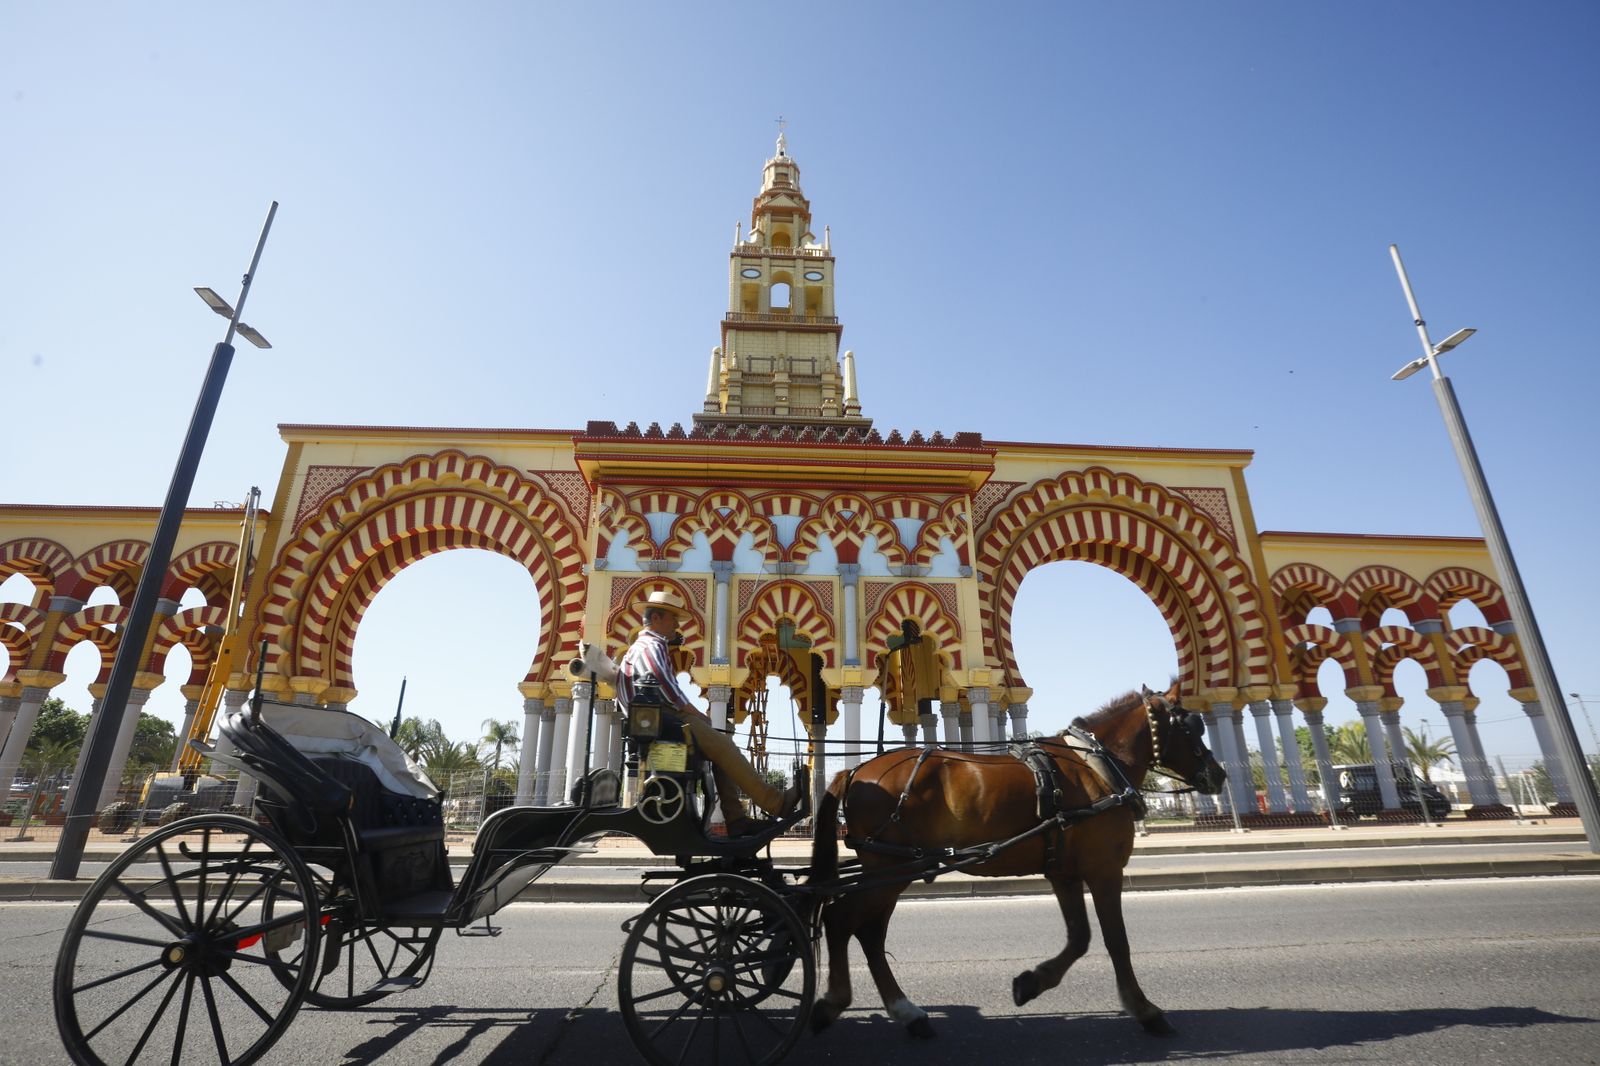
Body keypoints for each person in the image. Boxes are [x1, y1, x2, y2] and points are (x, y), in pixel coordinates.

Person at [615, 590, 804, 833]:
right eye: (673, 618)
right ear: (657, 618)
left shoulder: (641, 647)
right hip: (666, 721)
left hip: (659, 721)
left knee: (720, 750)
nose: (676, 624)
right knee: (725, 746)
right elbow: (669, 689)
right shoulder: (651, 646)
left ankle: (736, 819)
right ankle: (776, 803)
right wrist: (699, 716)